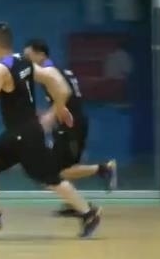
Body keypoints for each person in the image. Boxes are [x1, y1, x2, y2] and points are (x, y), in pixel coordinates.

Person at [0, 23, 101, 237]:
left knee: (48, 178)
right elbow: (59, 84)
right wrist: (59, 107)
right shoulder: (23, 61)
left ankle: (88, 212)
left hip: (21, 135)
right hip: (26, 133)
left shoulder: (1, 69)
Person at [22, 38, 118, 217]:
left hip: (71, 126)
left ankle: (103, 169)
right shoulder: (56, 71)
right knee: (60, 168)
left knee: (55, 171)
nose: (26, 60)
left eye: (29, 56)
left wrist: (49, 117)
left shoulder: (49, 72)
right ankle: (72, 204)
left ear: (41, 55)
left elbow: (64, 94)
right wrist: (46, 114)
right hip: (70, 123)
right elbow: (64, 98)